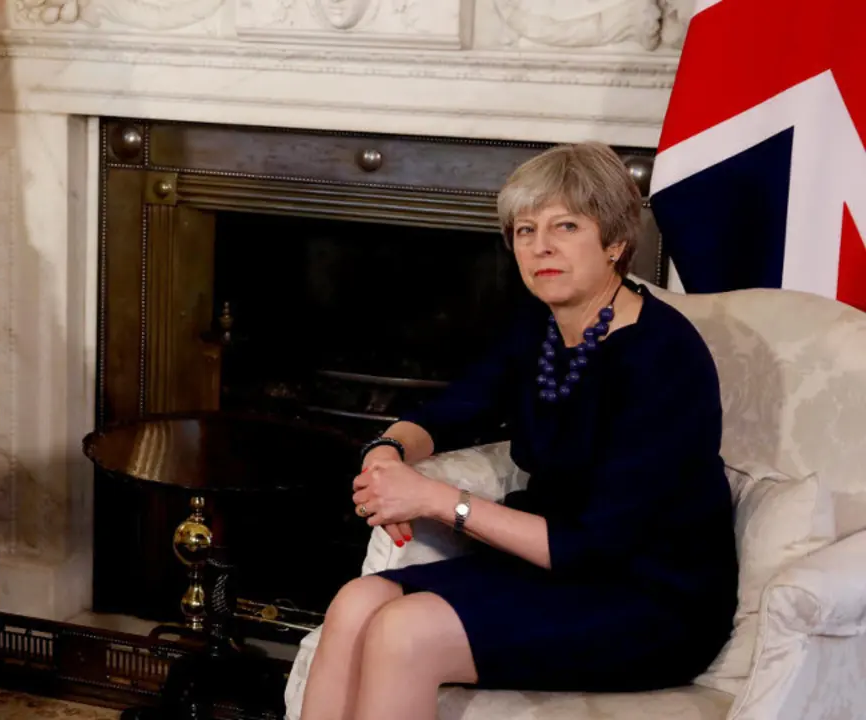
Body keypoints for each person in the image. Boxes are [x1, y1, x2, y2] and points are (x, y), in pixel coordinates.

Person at [298, 142, 739, 719]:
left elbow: (593, 546)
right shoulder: (541, 326)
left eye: (566, 226)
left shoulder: (663, 357)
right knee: (357, 601)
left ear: (614, 242)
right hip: (545, 567)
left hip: (650, 595)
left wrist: (434, 498)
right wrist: (387, 452)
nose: (541, 246)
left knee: (404, 631)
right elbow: (452, 409)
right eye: (526, 230)